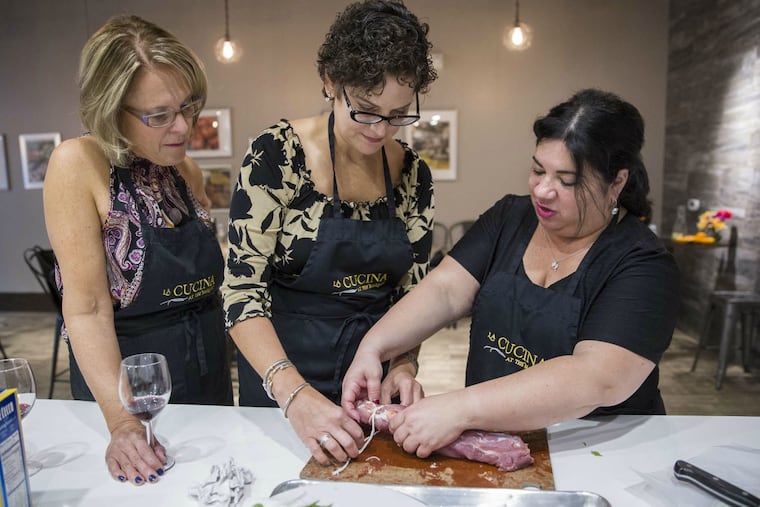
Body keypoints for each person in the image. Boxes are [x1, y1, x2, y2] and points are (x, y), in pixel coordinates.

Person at [342, 89, 681, 459]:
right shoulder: (509, 217)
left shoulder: (644, 264)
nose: (543, 190)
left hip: (600, 452)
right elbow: (444, 290)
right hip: (498, 445)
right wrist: (373, 347)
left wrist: (460, 407)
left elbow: (595, 376)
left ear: (616, 182)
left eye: (566, 180)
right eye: (538, 170)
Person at [221, 0, 437, 465]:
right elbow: (241, 293)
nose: (381, 129)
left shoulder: (414, 175)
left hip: (372, 383)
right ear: (330, 82)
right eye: (365, 110)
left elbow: (413, 296)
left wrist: (403, 364)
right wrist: (294, 396)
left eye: (398, 113)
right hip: (284, 376)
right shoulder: (276, 156)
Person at [44, 15, 233, 486]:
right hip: (132, 395)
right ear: (111, 110)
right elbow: (86, 311)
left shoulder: (182, 168)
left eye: (189, 106)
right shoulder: (77, 164)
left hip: (207, 373)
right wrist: (123, 423)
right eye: (160, 115)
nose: (184, 126)